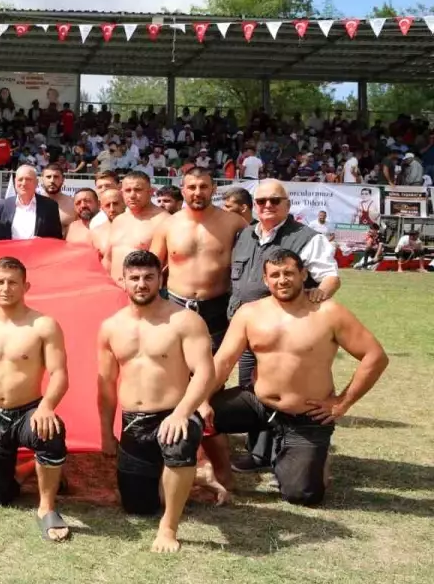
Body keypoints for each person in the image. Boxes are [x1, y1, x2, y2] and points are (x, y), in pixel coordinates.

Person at [208, 248, 388, 506]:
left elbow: (375, 356)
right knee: (193, 417)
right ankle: (222, 474)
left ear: (303, 274)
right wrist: (199, 400)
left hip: (307, 415)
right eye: (275, 275)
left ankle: (314, 457)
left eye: (289, 273)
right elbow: (223, 361)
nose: (282, 280)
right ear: (265, 279)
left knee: (301, 495)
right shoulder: (249, 313)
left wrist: (342, 402)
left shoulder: (328, 312)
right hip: (259, 402)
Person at [97, 251, 217, 553]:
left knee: (179, 442)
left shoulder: (184, 320)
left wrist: (182, 413)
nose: (142, 284)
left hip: (173, 413)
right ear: (122, 281)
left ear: (160, 279)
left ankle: (168, 526)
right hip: (134, 421)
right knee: (138, 507)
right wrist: (105, 433)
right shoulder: (111, 327)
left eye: (149, 277)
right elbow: (106, 385)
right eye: (134, 278)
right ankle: (198, 475)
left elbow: (204, 372)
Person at [226, 180, 341, 472]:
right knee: (252, 393)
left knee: (283, 390)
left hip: (285, 333)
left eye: (275, 201)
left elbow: (330, 276)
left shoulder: (307, 237)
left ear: (288, 205)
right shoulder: (245, 235)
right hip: (247, 331)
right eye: (261, 200)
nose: (267, 206)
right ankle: (259, 454)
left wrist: (319, 296)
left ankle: (285, 453)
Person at [0, 257, 70, 541]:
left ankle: (46, 508)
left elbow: (60, 374)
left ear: (26, 286)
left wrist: (46, 407)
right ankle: (27, 470)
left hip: (28, 412)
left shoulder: (43, 325)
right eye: (0, 282)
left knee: (51, 430)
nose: (6, 288)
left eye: (13, 282)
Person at [150, 169, 247, 352]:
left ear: (214, 189)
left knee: (215, 373)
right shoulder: (167, 225)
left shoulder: (234, 223)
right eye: (192, 187)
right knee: (176, 371)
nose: (197, 192)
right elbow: (152, 268)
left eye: (203, 186)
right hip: (175, 306)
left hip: (218, 309)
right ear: (183, 190)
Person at [102, 172, 165, 284]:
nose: (132, 195)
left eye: (138, 190)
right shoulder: (118, 220)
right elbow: (108, 259)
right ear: (122, 192)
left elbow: (160, 267)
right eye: (128, 190)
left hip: (143, 293)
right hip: (113, 290)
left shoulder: (163, 221)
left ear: (150, 192)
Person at [0, 165, 64, 240]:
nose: (24, 183)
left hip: (38, 251)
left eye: (28, 179)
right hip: (9, 251)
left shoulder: (50, 206)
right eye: (20, 179)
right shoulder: (3, 205)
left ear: (36, 182)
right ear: (15, 181)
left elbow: (57, 238)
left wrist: (43, 242)